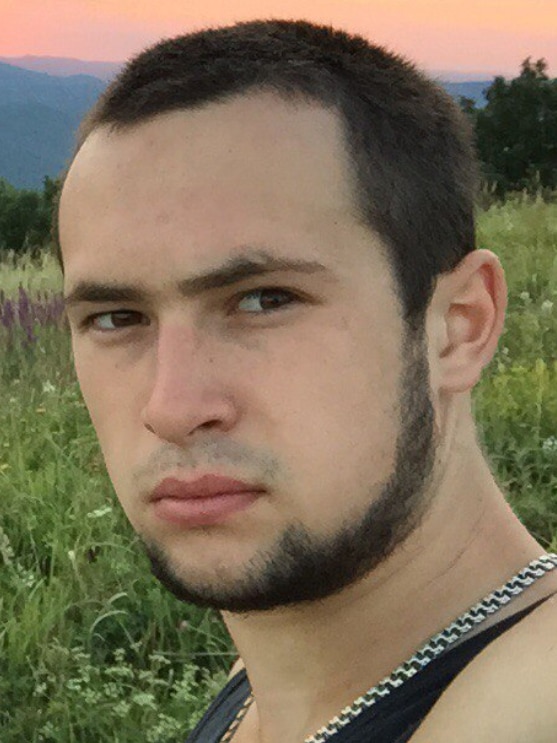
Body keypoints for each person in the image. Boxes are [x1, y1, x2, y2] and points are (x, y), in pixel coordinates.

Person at [55, 19, 557, 743]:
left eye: (263, 300)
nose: (171, 406)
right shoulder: (267, 677)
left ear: (459, 326)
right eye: (116, 316)